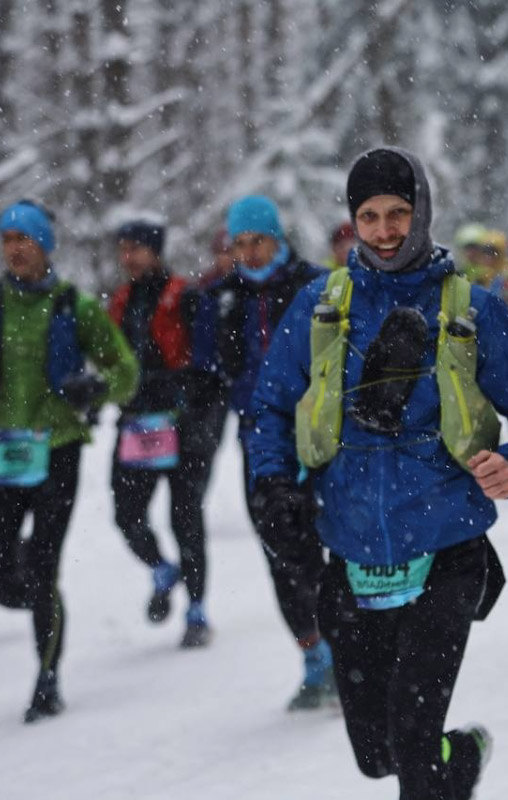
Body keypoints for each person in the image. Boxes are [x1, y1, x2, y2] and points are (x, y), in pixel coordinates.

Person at [250, 146, 508, 798]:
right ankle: (464, 757)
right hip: (353, 558)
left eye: (399, 213)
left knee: (414, 748)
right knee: (377, 754)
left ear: (422, 213)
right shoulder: (319, 307)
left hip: (447, 554)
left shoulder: (469, 307)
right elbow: (271, 406)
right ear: (353, 220)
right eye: (370, 216)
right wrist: (274, 479)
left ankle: (437, 762)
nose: (386, 231)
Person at [0, 200, 138, 722]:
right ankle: (37, 600)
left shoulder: (75, 308)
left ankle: (46, 676)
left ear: (45, 247)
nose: (14, 248)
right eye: (7, 238)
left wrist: (95, 389)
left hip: (57, 451)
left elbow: (125, 370)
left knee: (43, 567)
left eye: (24, 239)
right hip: (1, 454)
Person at [191, 195, 333, 709]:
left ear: (279, 238)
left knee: (334, 541)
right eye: (240, 244)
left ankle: (354, 651)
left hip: (322, 434)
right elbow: (207, 370)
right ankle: (314, 656)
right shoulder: (220, 297)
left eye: (258, 241)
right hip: (261, 440)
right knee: (280, 548)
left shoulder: (314, 285)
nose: (249, 253)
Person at [108, 220, 214, 648]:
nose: (129, 257)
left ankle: (197, 609)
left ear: (156, 251)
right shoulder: (121, 300)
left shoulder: (186, 296)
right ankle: (161, 568)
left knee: (185, 517)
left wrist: (188, 398)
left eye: (136, 248)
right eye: (124, 249)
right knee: (126, 513)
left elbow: (206, 358)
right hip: (137, 422)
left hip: (182, 423)